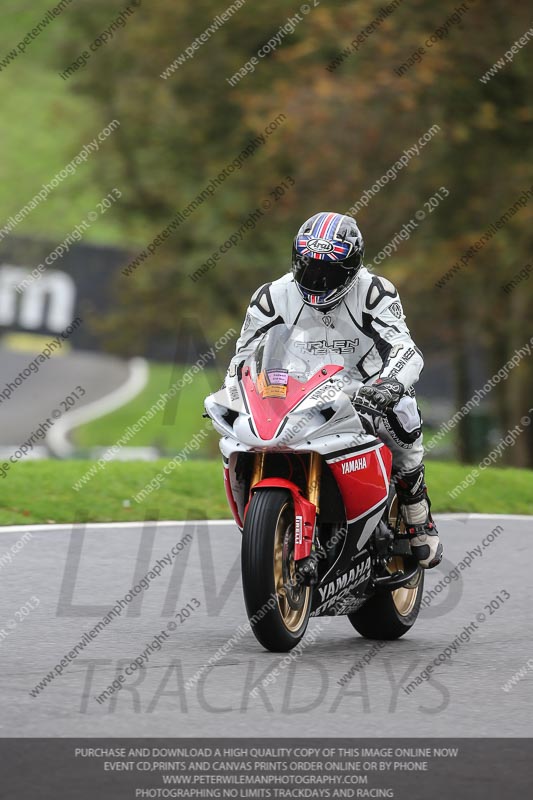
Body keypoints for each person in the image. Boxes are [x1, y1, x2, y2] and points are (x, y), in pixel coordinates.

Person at [226, 211, 442, 569]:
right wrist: (234, 395)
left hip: (363, 391)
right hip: (294, 392)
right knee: (242, 437)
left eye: (329, 271)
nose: (317, 279)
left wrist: (388, 386)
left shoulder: (374, 292)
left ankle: (415, 507)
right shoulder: (271, 297)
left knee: (403, 412)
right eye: (308, 267)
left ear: (352, 268)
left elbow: (404, 348)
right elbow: (243, 358)